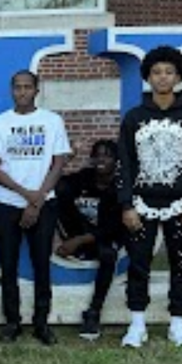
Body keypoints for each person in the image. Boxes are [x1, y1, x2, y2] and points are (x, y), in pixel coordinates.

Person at [117, 46, 182, 348]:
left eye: (169, 72)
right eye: (156, 72)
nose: (163, 78)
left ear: (178, 75)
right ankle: (137, 323)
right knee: (138, 262)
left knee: (181, 262)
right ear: (147, 77)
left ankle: (178, 324)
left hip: (181, 205)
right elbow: (124, 163)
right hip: (142, 204)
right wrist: (127, 204)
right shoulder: (134, 117)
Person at [0, 70, 71, 345]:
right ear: (11, 90)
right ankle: (12, 322)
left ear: (36, 90)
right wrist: (26, 195)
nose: (22, 92)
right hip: (7, 204)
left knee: (41, 262)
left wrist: (38, 198)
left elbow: (59, 162)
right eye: (17, 87)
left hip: (44, 203)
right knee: (8, 265)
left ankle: (41, 322)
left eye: (27, 87)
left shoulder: (52, 121)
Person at [55, 139, 124, 341]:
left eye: (108, 155)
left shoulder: (120, 186)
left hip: (104, 237)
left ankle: (93, 312)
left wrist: (77, 242)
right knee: (58, 194)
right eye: (98, 155)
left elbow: (112, 227)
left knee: (108, 255)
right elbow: (52, 184)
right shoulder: (83, 178)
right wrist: (69, 158)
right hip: (78, 235)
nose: (102, 159)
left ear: (117, 161)